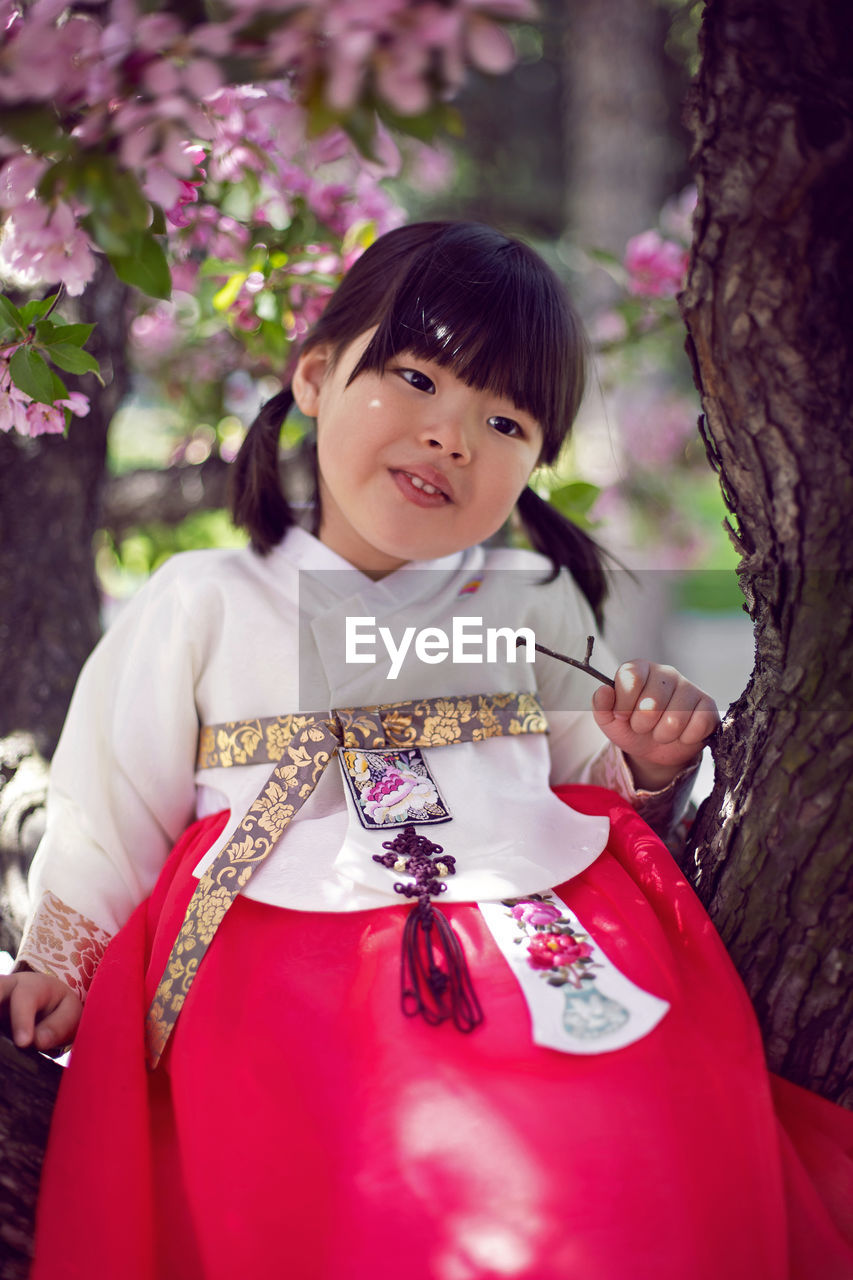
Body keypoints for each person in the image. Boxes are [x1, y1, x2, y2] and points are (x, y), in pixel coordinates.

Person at [2, 221, 851, 1280]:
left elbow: (585, 775)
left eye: (502, 419)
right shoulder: (204, 598)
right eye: (415, 377)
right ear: (314, 375)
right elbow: (114, 792)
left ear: (535, 464)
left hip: (531, 928)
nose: (452, 434)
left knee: (604, 1131)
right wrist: (65, 957)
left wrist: (644, 752)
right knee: (336, 1166)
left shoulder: (528, 605)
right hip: (285, 952)